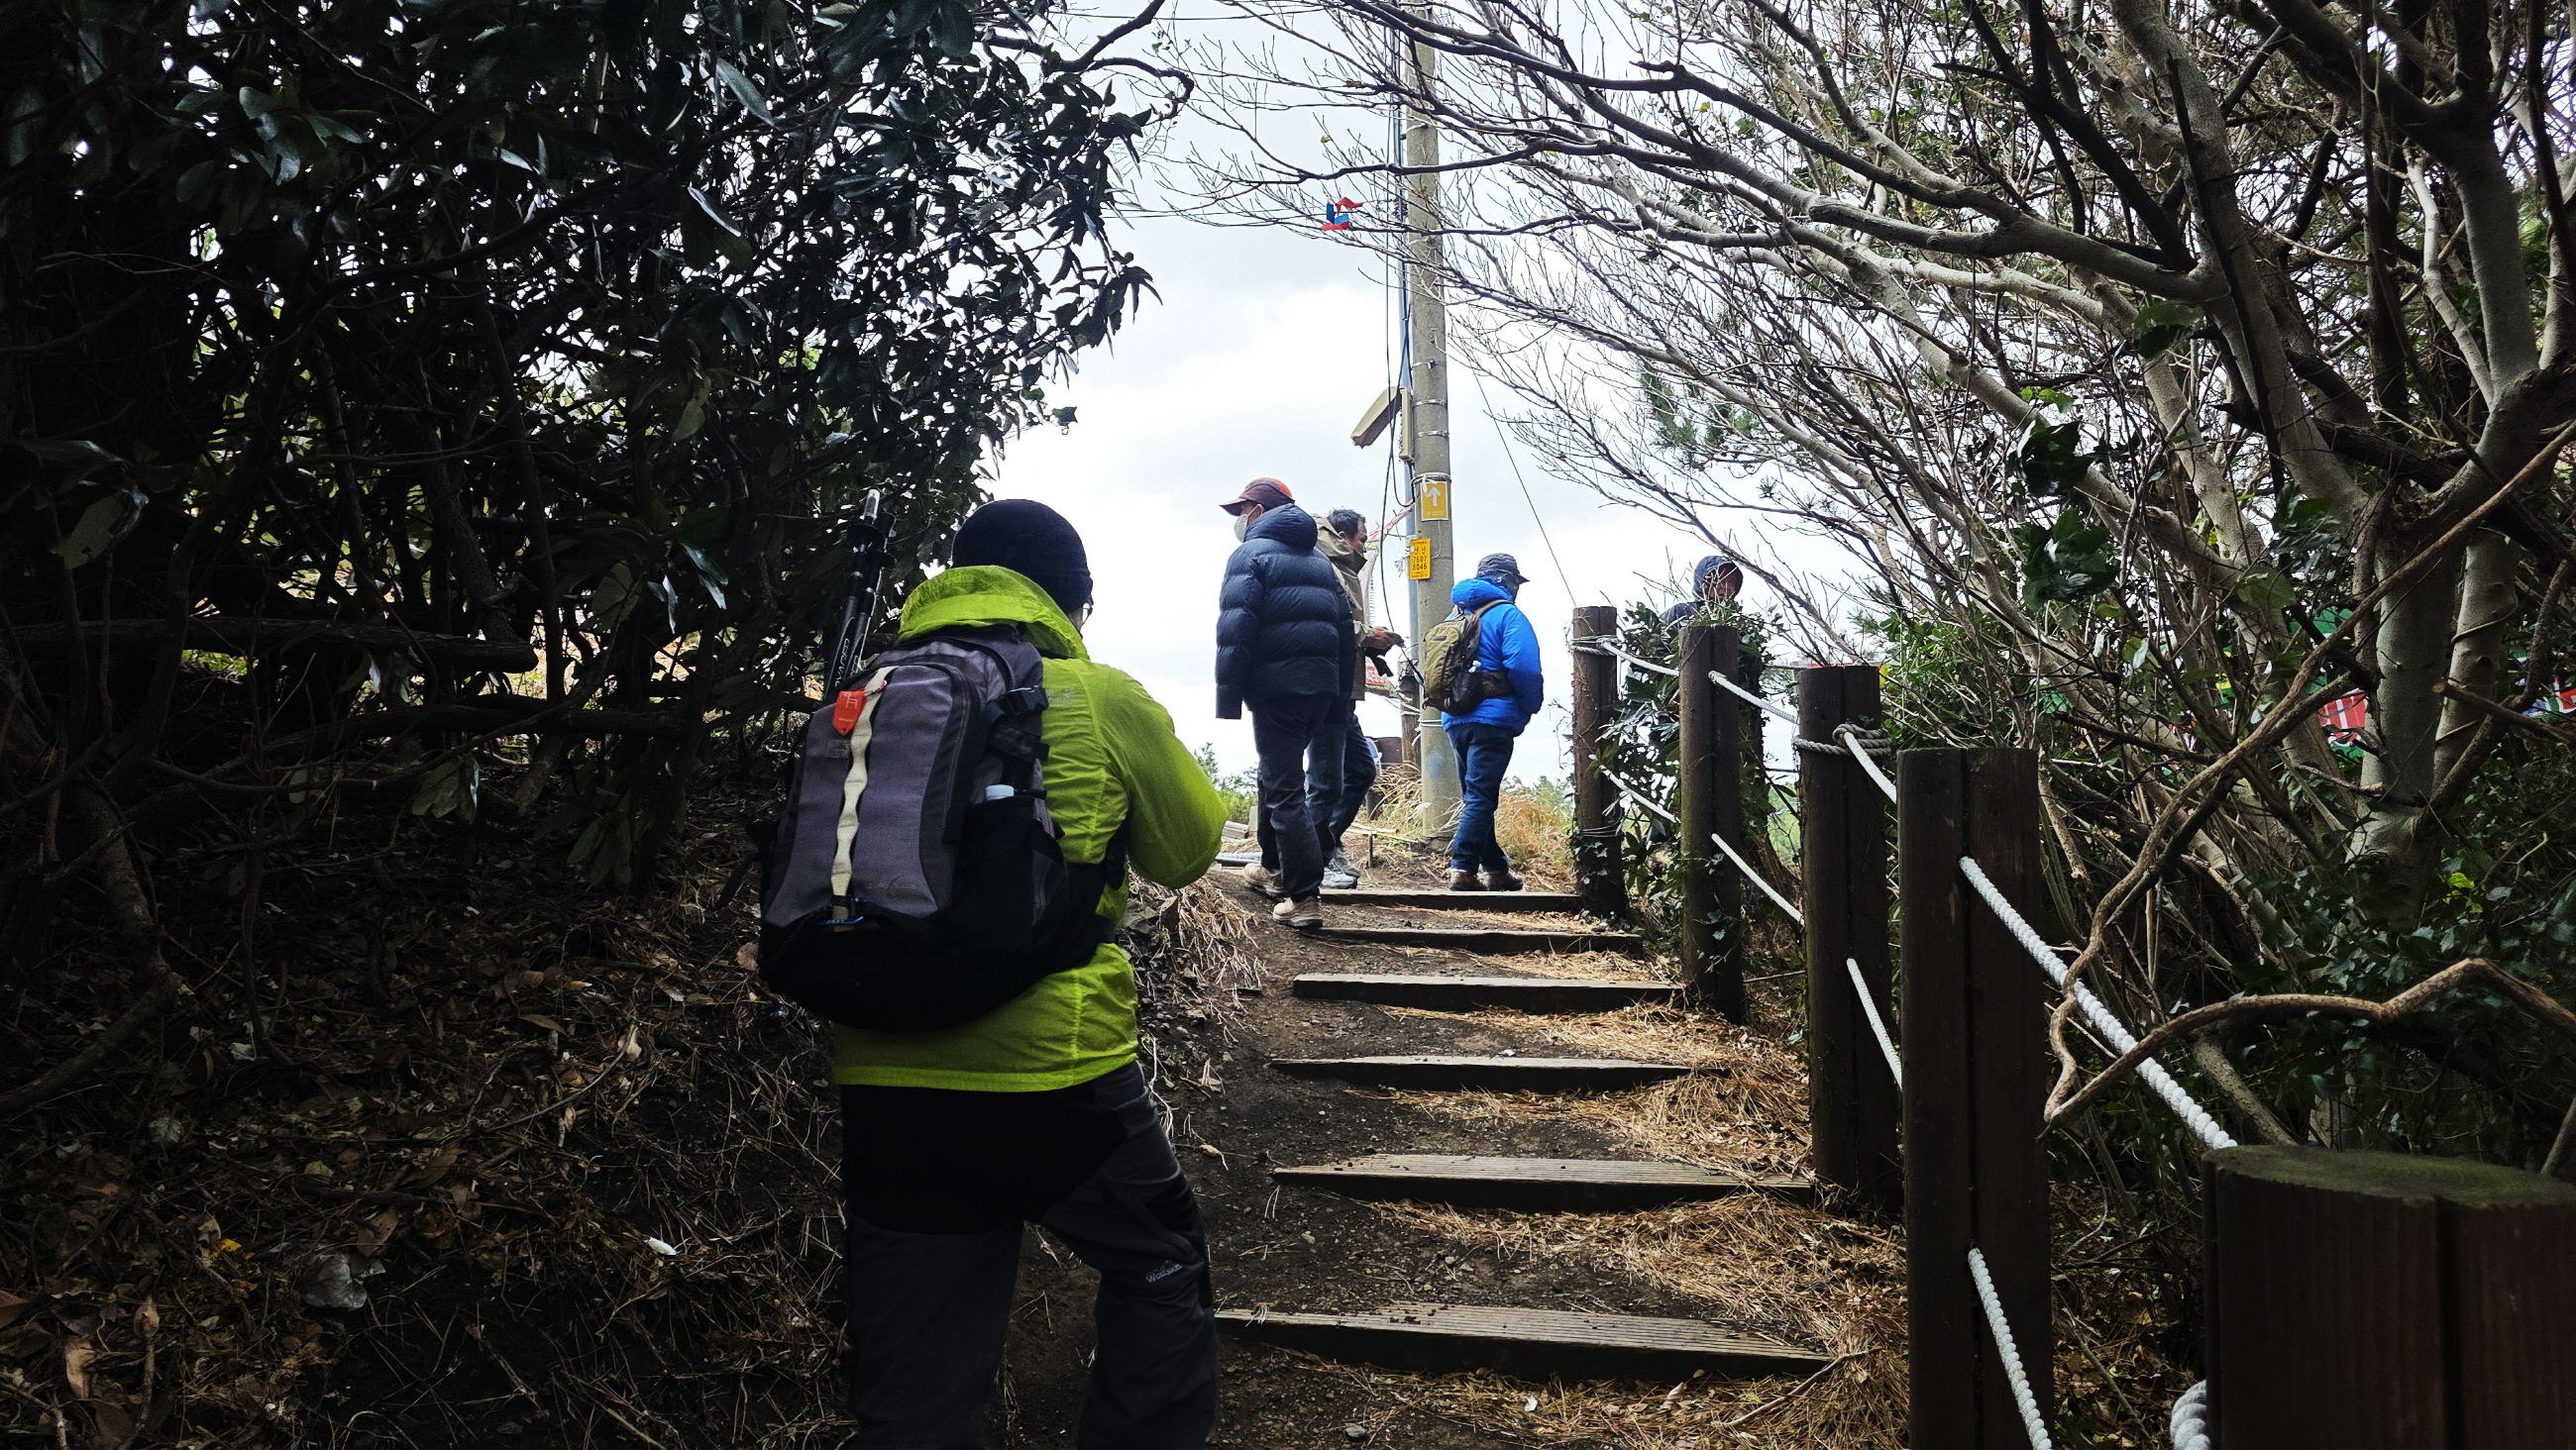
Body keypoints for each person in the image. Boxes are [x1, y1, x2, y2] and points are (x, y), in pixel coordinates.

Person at [831, 499, 1227, 1450]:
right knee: (1162, 1263)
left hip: (879, 1066)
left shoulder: (871, 694)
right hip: (1053, 1074)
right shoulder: (1097, 696)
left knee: (919, 1361)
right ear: (1074, 603)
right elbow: (1185, 852)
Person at [1214, 477, 1355, 928]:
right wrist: (1337, 699)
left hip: (1277, 690)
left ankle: (1303, 896)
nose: (1239, 519)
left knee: (1285, 789)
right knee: (1277, 778)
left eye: (1242, 510)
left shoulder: (1249, 556)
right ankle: (1274, 869)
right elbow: (1344, 633)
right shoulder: (1320, 562)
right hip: (1321, 690)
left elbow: (1236, 631)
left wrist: (1228, 698)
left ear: (1258, 511)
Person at [1441, 553, 1545, 891]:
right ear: (1508, 581)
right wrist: (1529, 706)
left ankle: (1497, 870)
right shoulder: (1507, 615)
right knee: (1481, 797)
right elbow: (1524, 667)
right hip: (1493, 718)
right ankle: (1462, 868)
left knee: (1476, 795)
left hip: (1455, 717)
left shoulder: (1455, 614)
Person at [1661, 553, 1744, 627]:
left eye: (1730, 581)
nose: (1725, 586)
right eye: (1717, 580)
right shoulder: (1680, 612)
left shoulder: (1738, 623)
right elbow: (1658, 635)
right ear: (1703, 583)